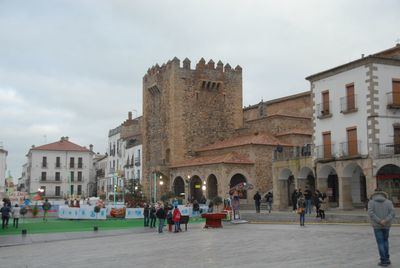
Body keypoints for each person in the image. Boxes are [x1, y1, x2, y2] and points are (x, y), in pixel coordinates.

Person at [368, 189, 396, 267]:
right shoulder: (389, 202)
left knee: (380, 243)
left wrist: (379, 221)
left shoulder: (371, 202)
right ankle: (387, 259)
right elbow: (392, 213)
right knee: (385, 241)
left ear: (374, 194)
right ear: (383, 194)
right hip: (387, 225)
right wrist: (385, 220)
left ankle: (383, 261)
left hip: (377, 226)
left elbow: (370, 213)